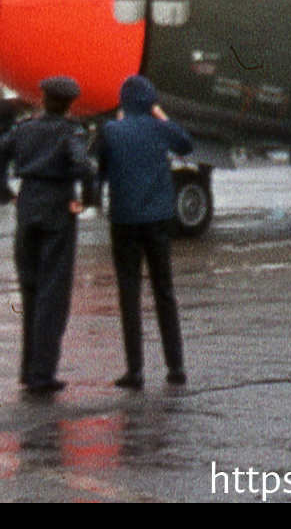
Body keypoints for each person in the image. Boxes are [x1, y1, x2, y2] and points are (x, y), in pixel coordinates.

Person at [0, 76, 95, 395]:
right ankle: (43, 373)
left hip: (27, 207)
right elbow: (84, 166)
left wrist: (5, 193)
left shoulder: (24, 130)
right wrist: (86, 199)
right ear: (70, 103)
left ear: (43, 100)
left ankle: (28, 371)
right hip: (58, 208)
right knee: (52, 296)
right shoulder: (70, 132)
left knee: (30, 293)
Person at [97, 75, 193, 389]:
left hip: (124, 219)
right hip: (158, 219)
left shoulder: (111, 131)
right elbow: (186, 144)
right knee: (164, 291)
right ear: (151, 102)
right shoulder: (161, 129)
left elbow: (99, 166)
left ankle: (135, 370)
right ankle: (175, 366)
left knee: (129, 294)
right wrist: (161, 115)